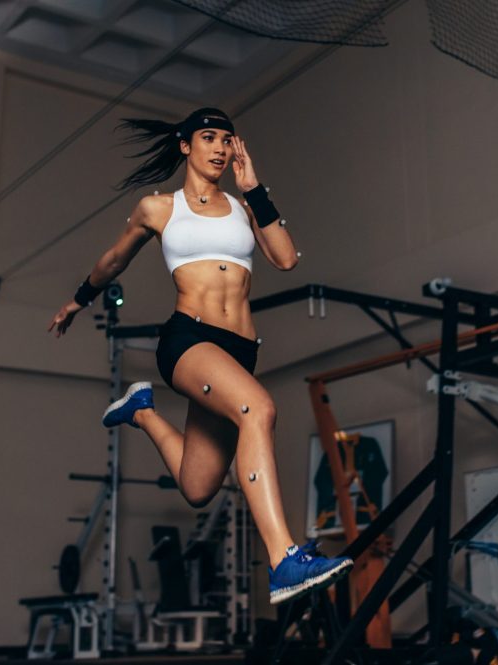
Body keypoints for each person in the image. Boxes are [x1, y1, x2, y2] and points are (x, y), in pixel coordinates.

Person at [48, 107, 352, 605]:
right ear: (186, 145)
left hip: (238, 350)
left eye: (227, 140)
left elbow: (286, 257)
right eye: (208, 137)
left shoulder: (241, 205)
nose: (220, 148)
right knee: (259, 409)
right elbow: (114, 258)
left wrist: (255, 189)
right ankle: (284, 561)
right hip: (189, 339)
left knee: (197, 486)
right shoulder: (159, 208)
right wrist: (79, 299)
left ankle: (142, 411)